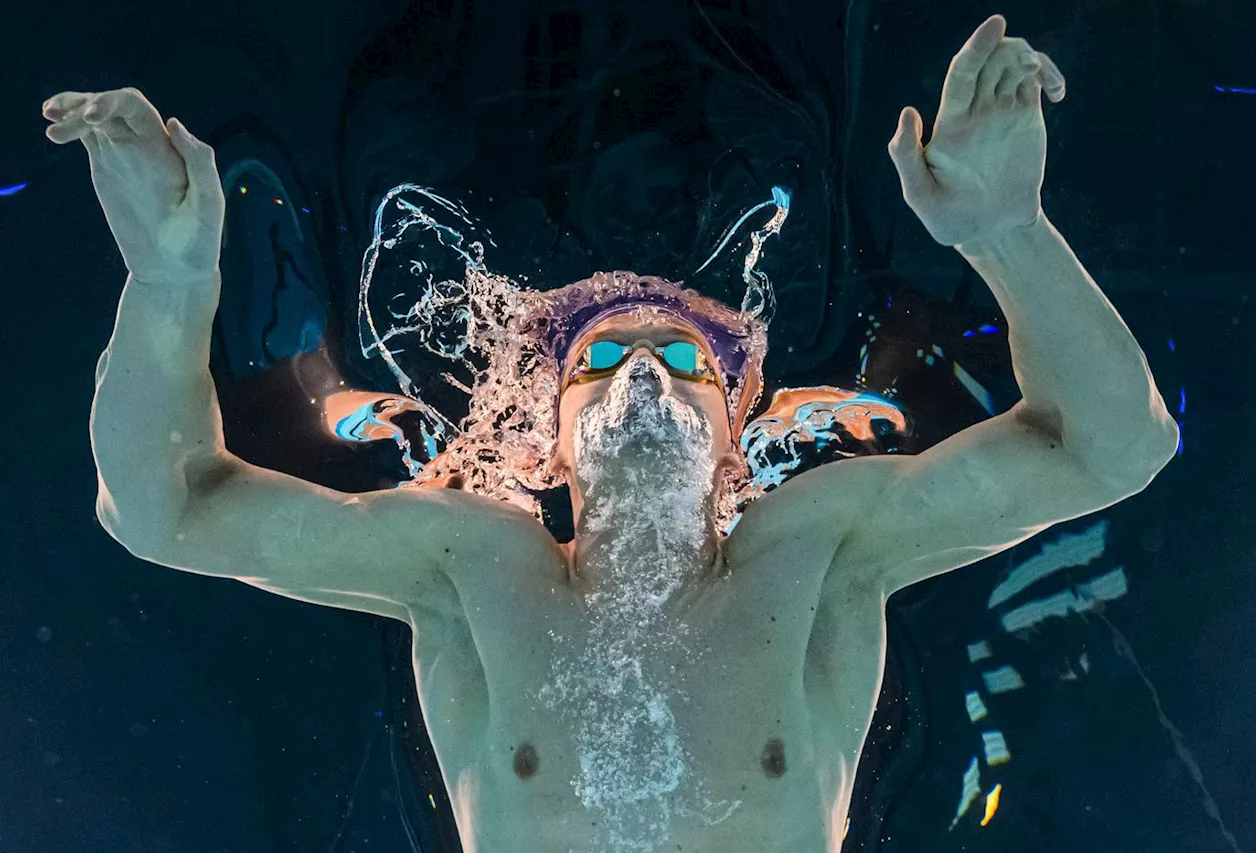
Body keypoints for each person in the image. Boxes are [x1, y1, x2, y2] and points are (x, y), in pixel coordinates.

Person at [55, 14, 1178, 853]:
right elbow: (165, 510)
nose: (640, 366)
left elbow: (1114, 447)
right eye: (595, 361)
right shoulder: (469, 562)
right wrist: (167, 277)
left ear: (736, 440)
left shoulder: (821, 542)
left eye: (686, 362)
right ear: (541, 443)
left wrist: (1005, 229)